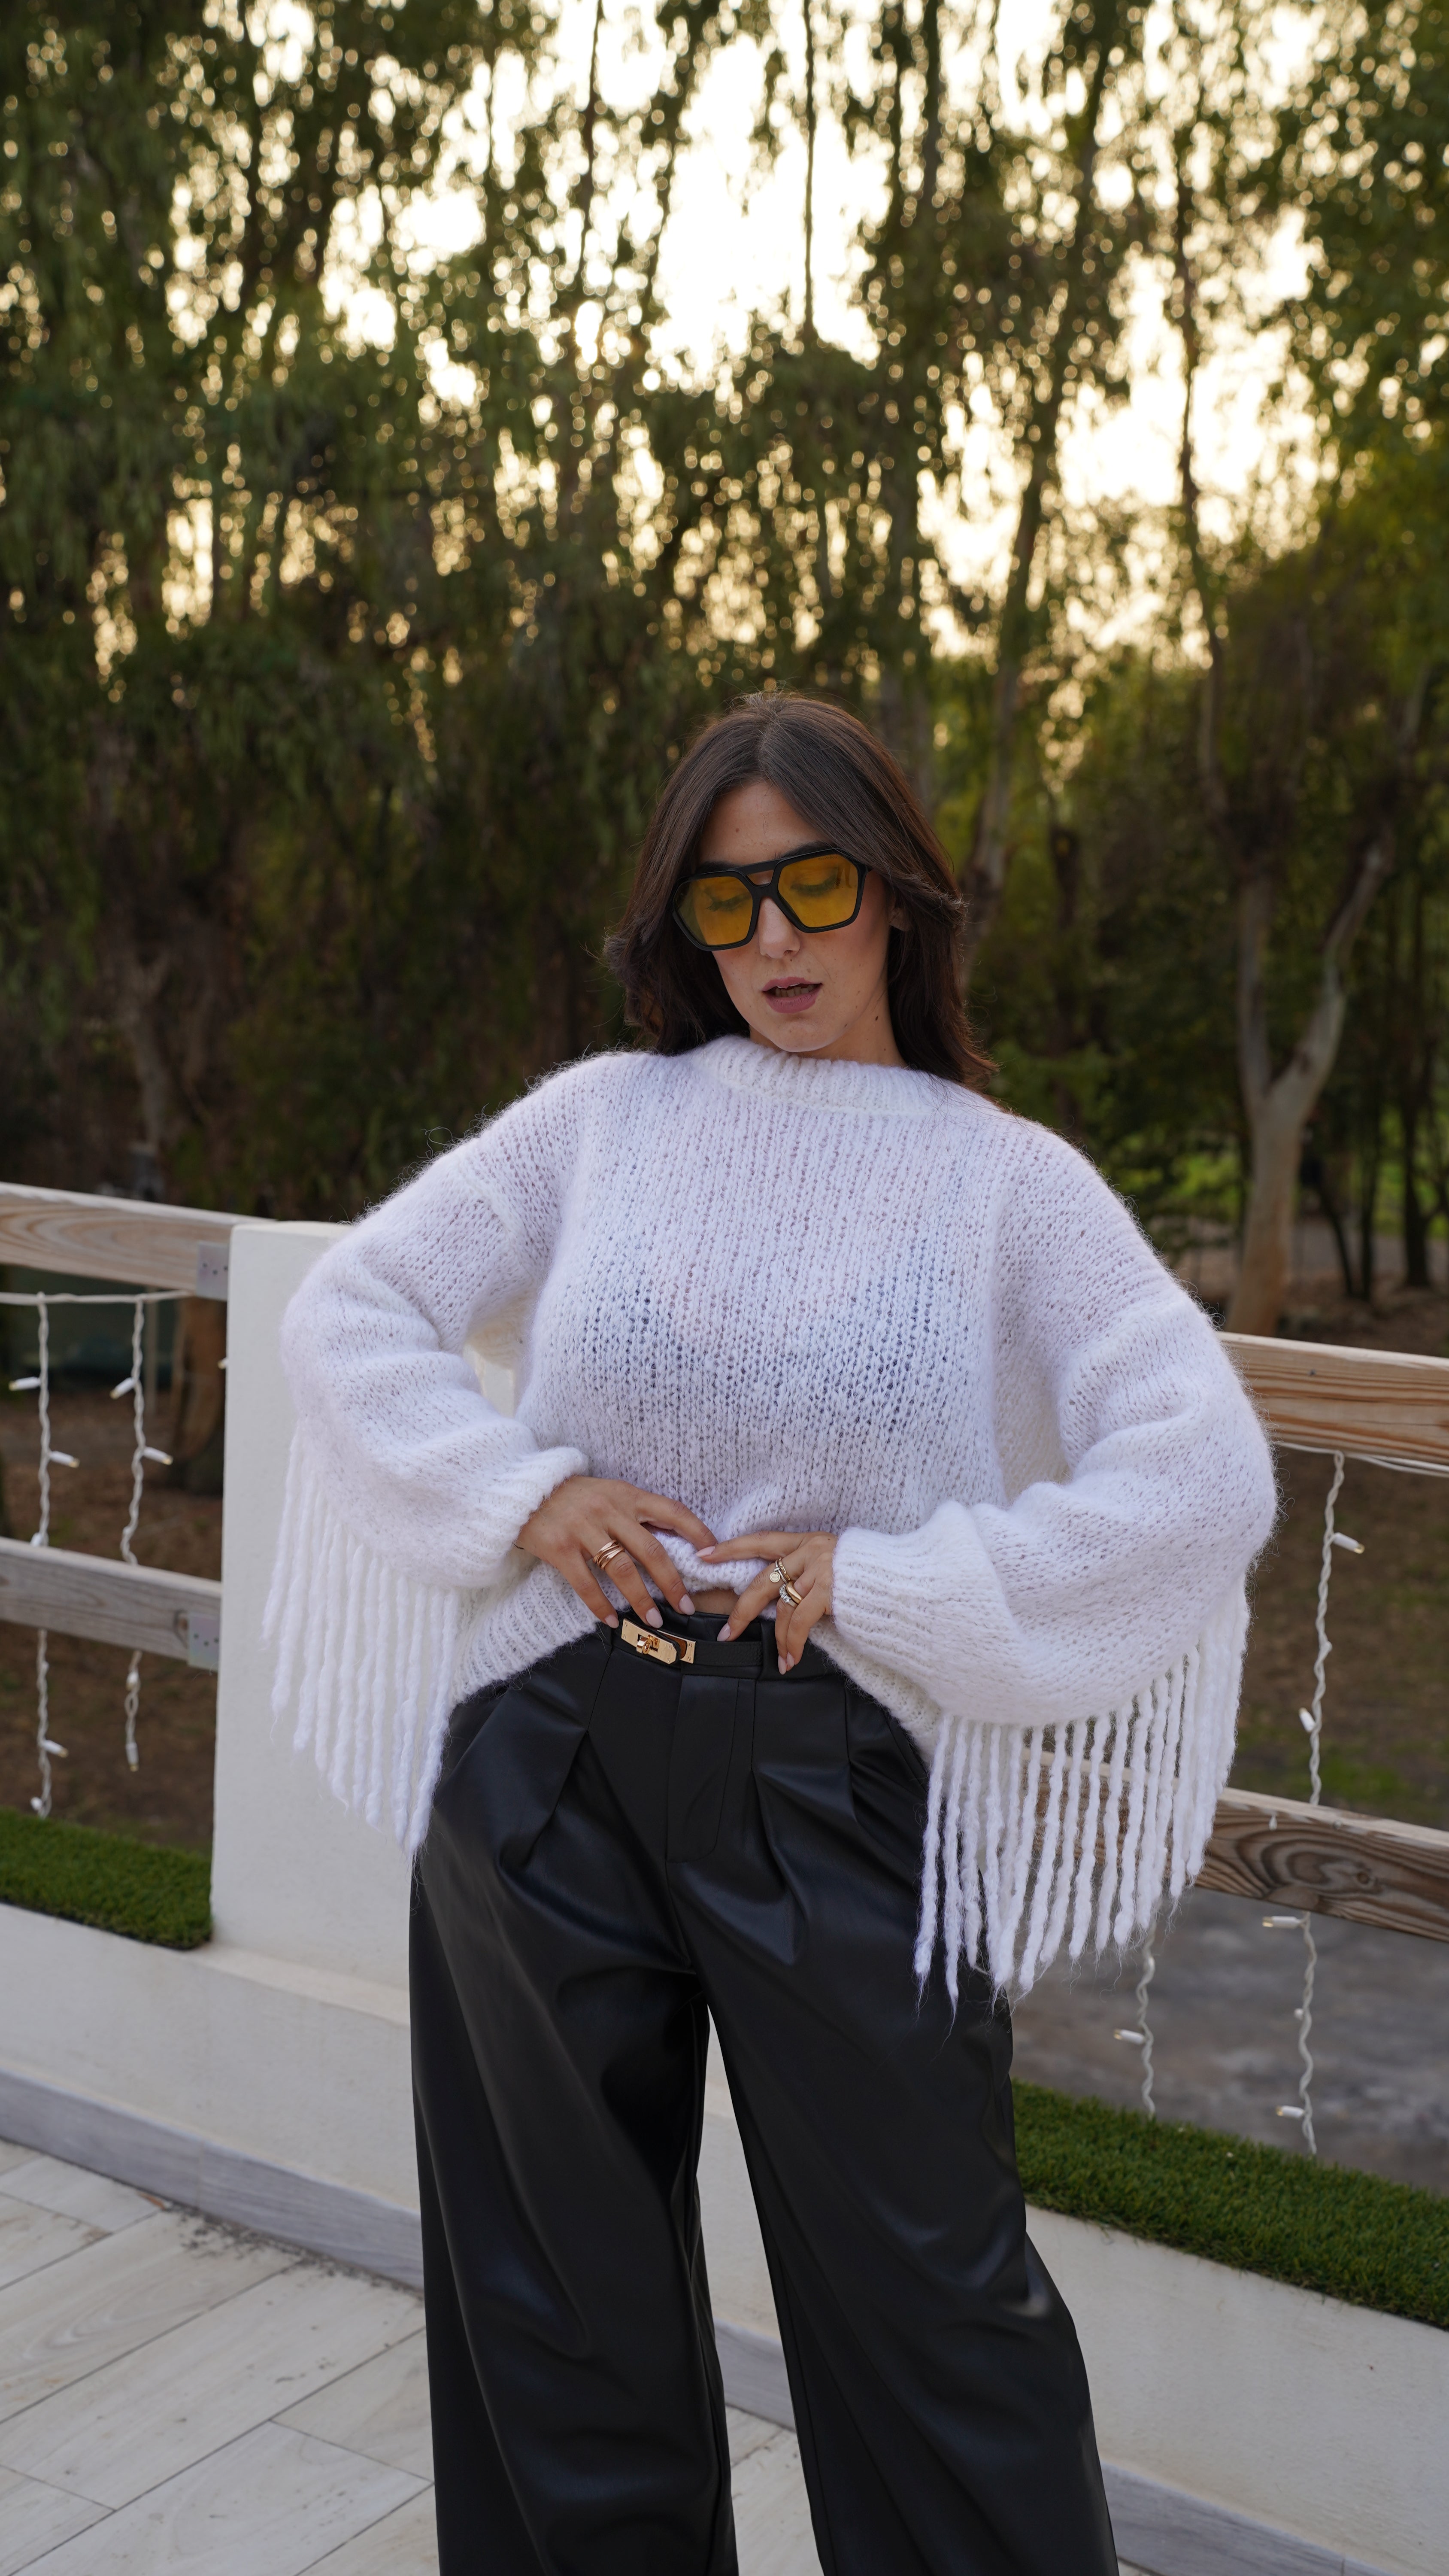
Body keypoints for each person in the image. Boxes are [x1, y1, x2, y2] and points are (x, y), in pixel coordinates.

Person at [267, 693, 1276, 2575]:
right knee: (554, 2328)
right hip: (549, 1754)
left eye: (813, 885)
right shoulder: (602, 1121)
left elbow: (1200, 1471)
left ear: (894, 890)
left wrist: (896, 1586)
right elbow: (352, 1310)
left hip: (836, 1776)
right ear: (685, 927)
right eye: (725, 904)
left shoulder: (1005, 1182)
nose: (775, 941)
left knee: (939, 2323)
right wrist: (523, 1493)